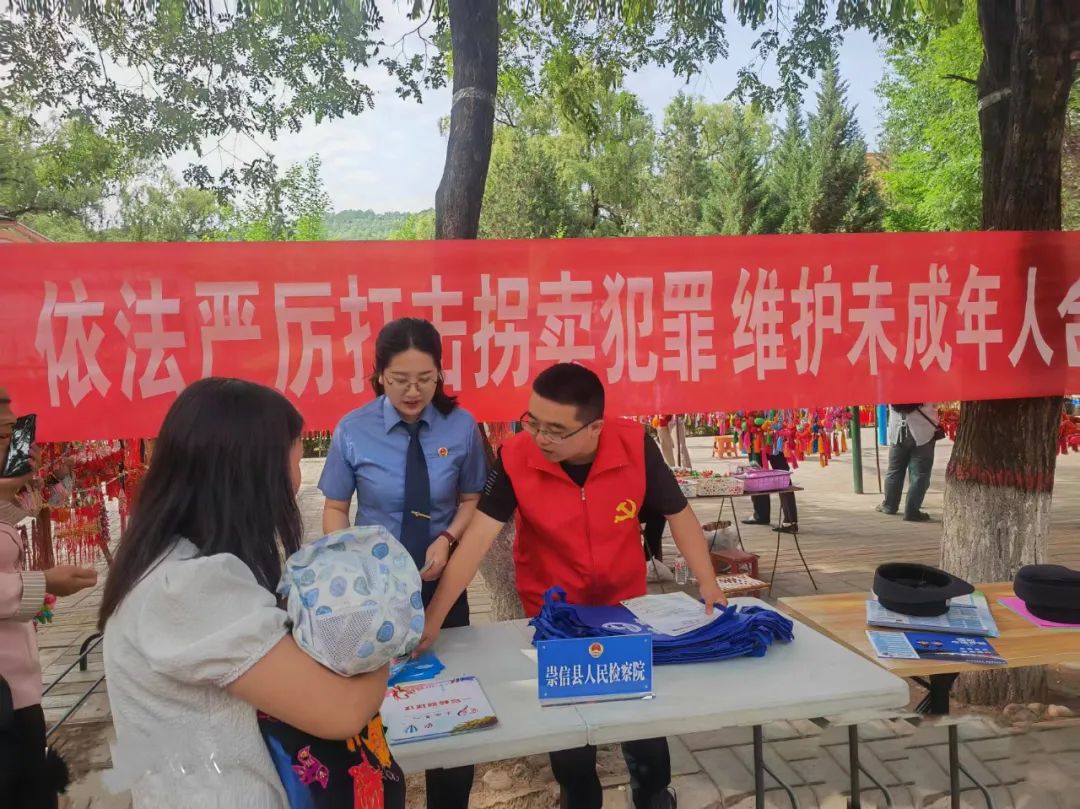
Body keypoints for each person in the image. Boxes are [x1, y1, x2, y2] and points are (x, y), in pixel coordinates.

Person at [417, 363, 725, 809]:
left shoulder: (635, 444)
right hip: (555, 617)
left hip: (625, 611)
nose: (541, 437)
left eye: (556, 430)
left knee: (644, 731)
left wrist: (710, 586)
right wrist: (433, 619)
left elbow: (679, 515)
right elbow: (476, 541)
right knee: (571, 744)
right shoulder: (516, 456)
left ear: (595, 427)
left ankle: (654, 795)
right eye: (533, 422)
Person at [99, 378, 399, 807]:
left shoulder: (168, 563)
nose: (297, 482)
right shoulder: (187, 588)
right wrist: (382, 635)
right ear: (254, 473)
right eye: (295, 462)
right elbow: (342, 711)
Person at [318, 317, 488, 809]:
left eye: (425, 379)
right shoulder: (354, 430)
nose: (413, 392)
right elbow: (335, 507)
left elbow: (472, 499)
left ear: (440, 375)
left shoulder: (461, 427)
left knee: (452, 704)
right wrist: (351, 565)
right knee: (378, 705)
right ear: (379, 376)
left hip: (441, 583)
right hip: (375, 593)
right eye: (400, 380)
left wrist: (448, 538)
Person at [0, 387, 96, 809]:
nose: (15, 443)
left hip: (18, 692)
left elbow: (19, 510)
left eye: (16, 430)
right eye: (4, 433)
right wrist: (43, 584)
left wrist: (62, 481)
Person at [877, 403, 939, 522]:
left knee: (894, 471)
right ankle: (912, 511)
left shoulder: (892, 391)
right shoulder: (925, 390)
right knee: (919, 475)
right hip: (923, 431)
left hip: (898, 431)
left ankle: (889, 505)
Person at [742, 449, 798, 533]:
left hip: (761, 442)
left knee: (758, 471)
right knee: (782, 473)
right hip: (773, 442)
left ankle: (762, 515)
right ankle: (789, 521)